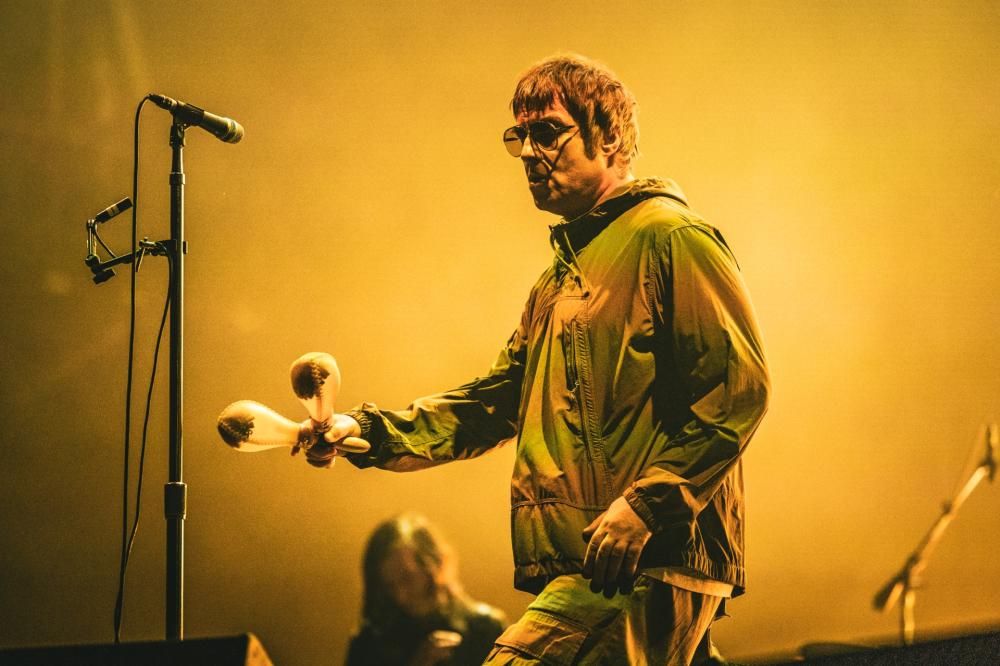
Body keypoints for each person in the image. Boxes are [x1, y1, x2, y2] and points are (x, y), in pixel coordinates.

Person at [312, 54, 770, 665]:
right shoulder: (559, 280)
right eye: (519, 136)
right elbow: (497, 401)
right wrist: (368, 432)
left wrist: (646, 506)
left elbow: (737, 390)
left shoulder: (671, 236)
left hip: (640, 560)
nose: (528, 152)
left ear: (610, 136)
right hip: (608, 562)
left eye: (549, 132)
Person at [345, 513, 507, 666]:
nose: (400, 595)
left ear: (436, 564)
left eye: (407, 578)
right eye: (389, 585)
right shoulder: (370, 642)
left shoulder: (486, 629)